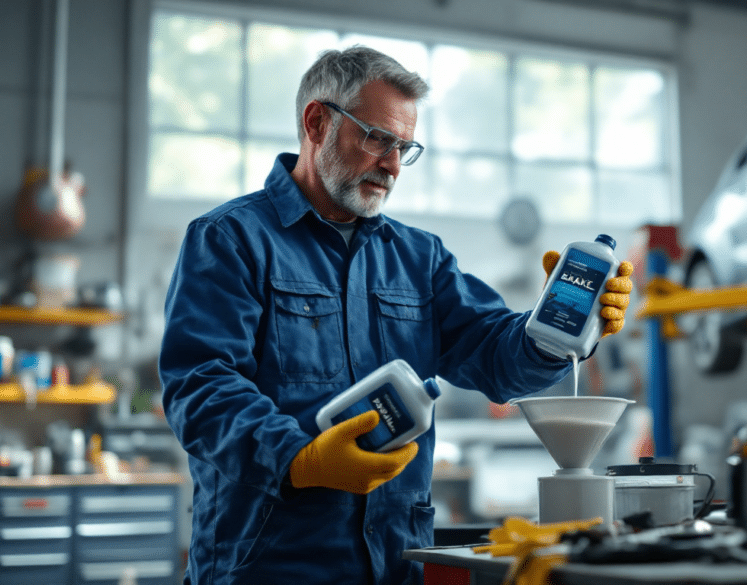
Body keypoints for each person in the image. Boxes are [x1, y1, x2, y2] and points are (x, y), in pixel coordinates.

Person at [159, 45, 634, 584]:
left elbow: (494, 356)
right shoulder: (230, 240)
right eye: (377, 138)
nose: (391, 165)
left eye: (404, 147)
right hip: (269, 563)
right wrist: (300, 458)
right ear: (317, 122)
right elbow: (201, 387)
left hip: (395, 564)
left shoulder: (419, 259)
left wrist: (557, 332)